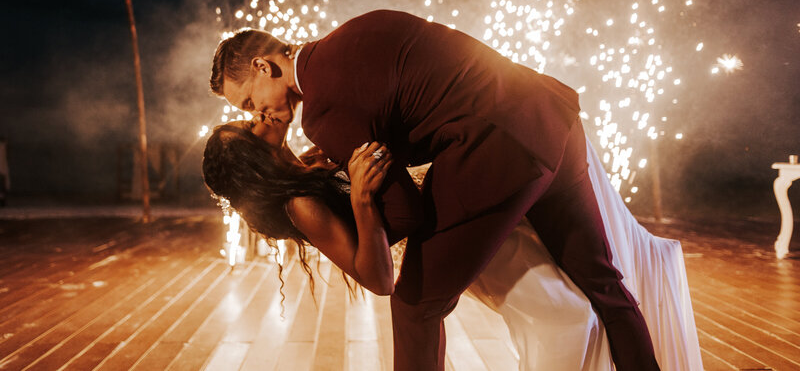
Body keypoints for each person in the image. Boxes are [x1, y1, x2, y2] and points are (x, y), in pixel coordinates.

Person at [208, 10, 660, 370]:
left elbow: (405, 215)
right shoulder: (358, 27)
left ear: (263, 66)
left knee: (414, 310)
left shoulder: (321, 114)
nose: (259, 114)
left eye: (249, 102)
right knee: (604, 285)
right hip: (552, 113)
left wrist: (363, 197)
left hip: (501, 151)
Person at [202, 119, 703, 370]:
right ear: (251, 158)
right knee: (563, 314)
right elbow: (375, 279)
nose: (257, 116)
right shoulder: (300, 205)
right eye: (247, 126)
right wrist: (360, 199)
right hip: (454, 231)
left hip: (470, 214)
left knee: (569, 307)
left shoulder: (309, 161)